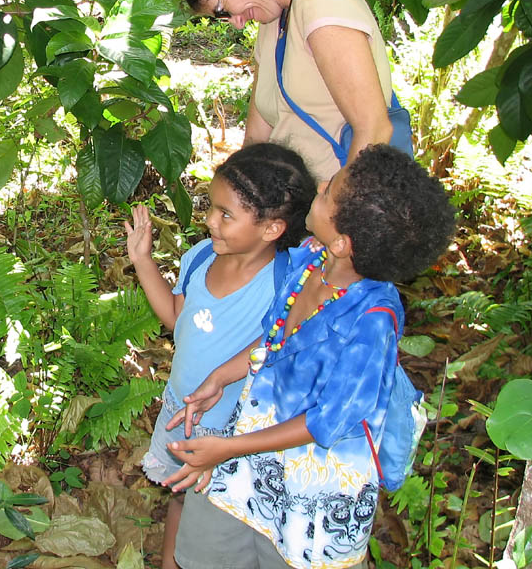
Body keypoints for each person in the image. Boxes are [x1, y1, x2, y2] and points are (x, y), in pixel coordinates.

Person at [159, 144, 456, 569]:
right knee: (208, 550)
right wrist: (223, 375)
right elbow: (274, 342)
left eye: (327, 193)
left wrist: (227, 448)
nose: (318, 186)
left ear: (343, 241)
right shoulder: (308, 261)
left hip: (311, 496)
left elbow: (326, 421)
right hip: (248, 459)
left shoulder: (371, 323)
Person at [124, 143, 316, 569]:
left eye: (226, 214)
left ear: (272, 229)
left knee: (216, 519)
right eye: (212, 207)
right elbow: (178, 317)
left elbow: (284, 343)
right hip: (182, 412)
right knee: (181, 495)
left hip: (232, 436)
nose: (210, 220)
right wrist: (142, 260)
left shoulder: (283, 285)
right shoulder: (201, 257)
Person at [175, 0, 397, 182]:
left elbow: (374, 128)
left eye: (222, 10)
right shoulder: (273, 22)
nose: (236, 22)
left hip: (341, 210)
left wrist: (333, 208)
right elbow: (257, 138)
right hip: (297, 212)